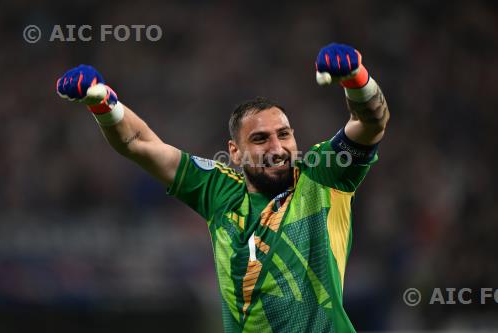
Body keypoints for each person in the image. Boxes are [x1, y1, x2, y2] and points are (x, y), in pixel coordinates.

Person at [56, 42, 390, 333]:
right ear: (234, 152)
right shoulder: (218, 190)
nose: (276, 148)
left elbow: (372, 121)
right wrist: (104, 105)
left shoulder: (321, 177)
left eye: (284, 134)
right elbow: (139, 144)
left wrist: (357, 79)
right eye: (259, 139)